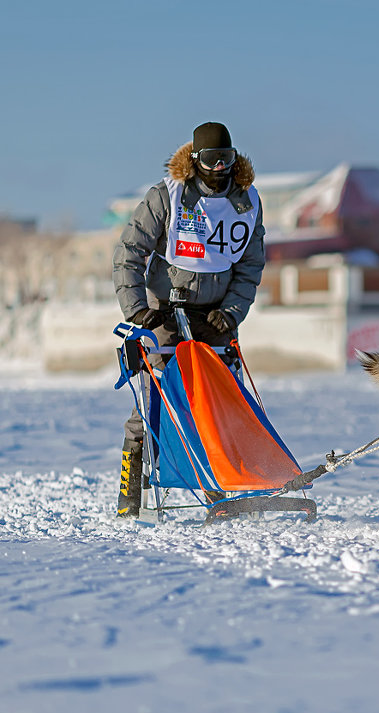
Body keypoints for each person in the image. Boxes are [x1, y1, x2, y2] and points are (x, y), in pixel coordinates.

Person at [112, 121, 266, 518]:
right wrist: (138, 313)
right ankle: (131, 492)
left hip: (214, 318)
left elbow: (250, 267)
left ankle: (224, 489)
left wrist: (230, 312)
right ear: (195, 161)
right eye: (211, 160)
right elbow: (128, 254)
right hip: (163, 312)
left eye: (226, 160)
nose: (219, 169)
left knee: (219, 401)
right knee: (155, 400)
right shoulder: (167, 196)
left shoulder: (247, 202)